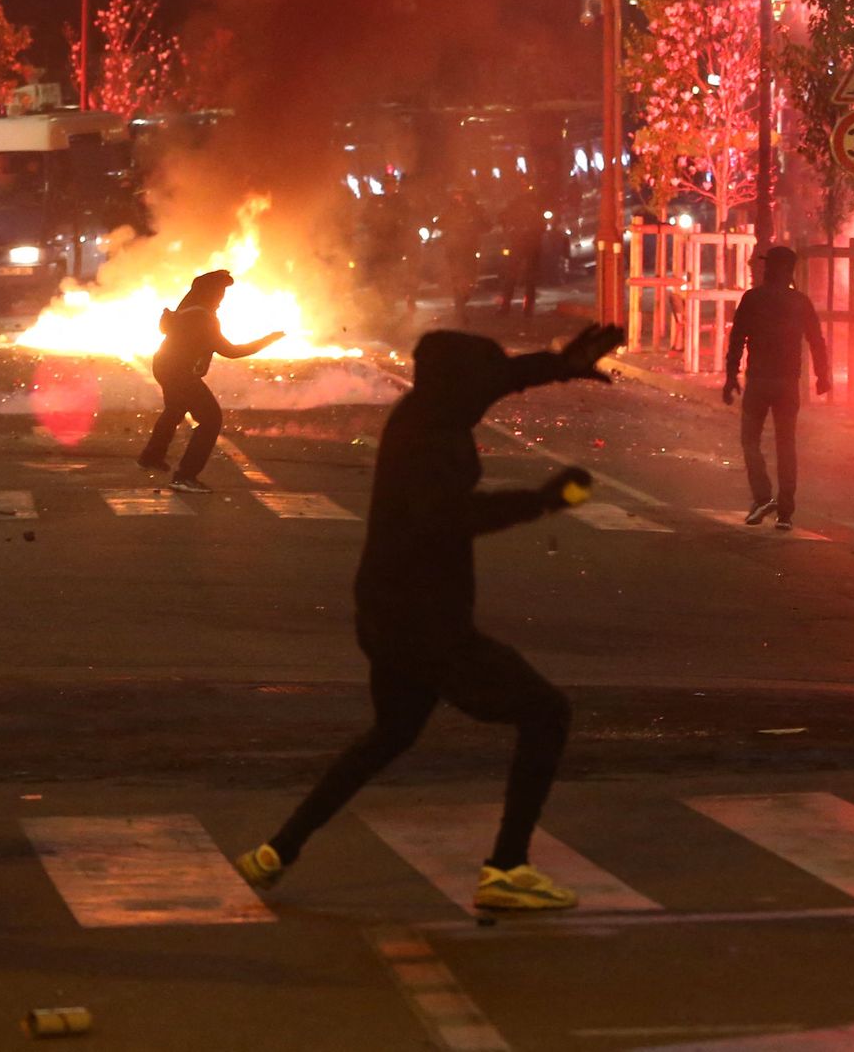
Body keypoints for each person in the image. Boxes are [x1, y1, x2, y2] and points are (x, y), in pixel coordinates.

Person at [234, 324, 623, 911]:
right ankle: (507, 869)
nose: (492, 391)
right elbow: (450, 518)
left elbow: (505, 378)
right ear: (461, 386)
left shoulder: (432, 405)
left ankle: (277, 851)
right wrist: (544, 500)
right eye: (482, 382)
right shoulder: (430, 440)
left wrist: (561, 365)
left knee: (391, 734)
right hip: (425, 622)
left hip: (388, 612)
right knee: (547, 713)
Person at [136, 269, 284, 494]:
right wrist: (267, 340)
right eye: (219, 293)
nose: (221, 299)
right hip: (179, 373)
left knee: (175, 409)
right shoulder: (203, 318)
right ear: (209, 294)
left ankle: (151, 456)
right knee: (211, 419)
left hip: (165, 366)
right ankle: (185, 477)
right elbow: (230, 351)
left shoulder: (187, 309)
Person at [723, 246, 832, 531]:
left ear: (770, 269)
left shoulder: (753, 298)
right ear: (791, 271)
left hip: (759, 380)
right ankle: (785, 512)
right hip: (787, 383)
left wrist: (730, 376)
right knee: (786, 445)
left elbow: (737, 339)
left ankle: (762, 497)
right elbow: (816, 341)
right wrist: (823, 376)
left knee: (750, 441)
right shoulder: (800, 302)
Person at [440, 188, 488, 325]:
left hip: (470, 250)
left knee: (471, 280)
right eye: (456, 195)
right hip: (454, 251)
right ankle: (459, 312)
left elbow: (486, 225)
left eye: (461, 194)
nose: (459, 197)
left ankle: (463, 301)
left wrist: (474, 227)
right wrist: (451, 227)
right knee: (457, 280)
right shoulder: (450, 210)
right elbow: (440, 223)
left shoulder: (475, 209)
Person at [495, 189, 544, 317]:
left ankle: (509, 307)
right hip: (526, 247)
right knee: (524, 278)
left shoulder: (527, 210)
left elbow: (541, 227)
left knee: (515, 277)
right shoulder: (531, 210)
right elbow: (542, 228)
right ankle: (524, 308)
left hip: (524, 247)